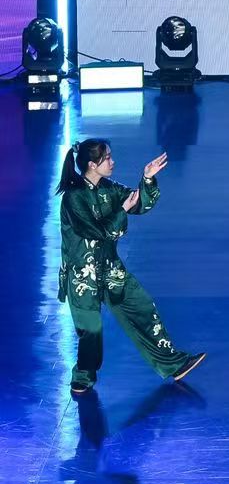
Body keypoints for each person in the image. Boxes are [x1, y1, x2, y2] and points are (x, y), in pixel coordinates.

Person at [55, 139, 206, 396]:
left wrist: (147, 178)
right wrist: (121, 212)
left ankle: (173, 363)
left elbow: (138, 203)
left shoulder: (109, 189)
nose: (113, 162)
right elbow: (97, 232)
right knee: (91, 330)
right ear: (92, 165)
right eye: (107, 158)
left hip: (110, 269)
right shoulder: (73, 198)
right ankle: (83, 375)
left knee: (143, 308)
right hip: (82, 275)